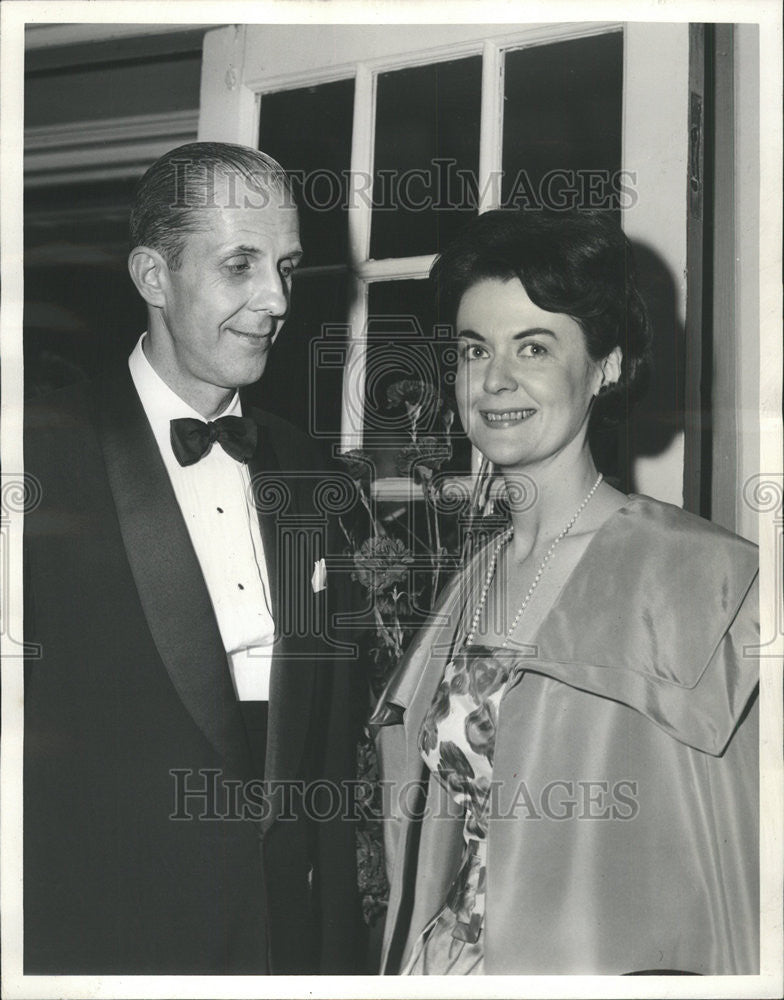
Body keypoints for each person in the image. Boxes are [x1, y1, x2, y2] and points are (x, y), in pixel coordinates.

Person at [372, 210, 759, 975]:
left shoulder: (706, 578)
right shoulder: (471, 583)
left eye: (535, 347)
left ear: (607, 368)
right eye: (474, 349)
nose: (495, 380)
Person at [24, 142, 365, 974]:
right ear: (152, 276)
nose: (277, 299)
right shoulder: (35, 457)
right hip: (102, 946)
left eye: (285, 265)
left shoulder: (311, 467)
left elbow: (326, 755)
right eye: (240, 265)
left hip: (286, 944)